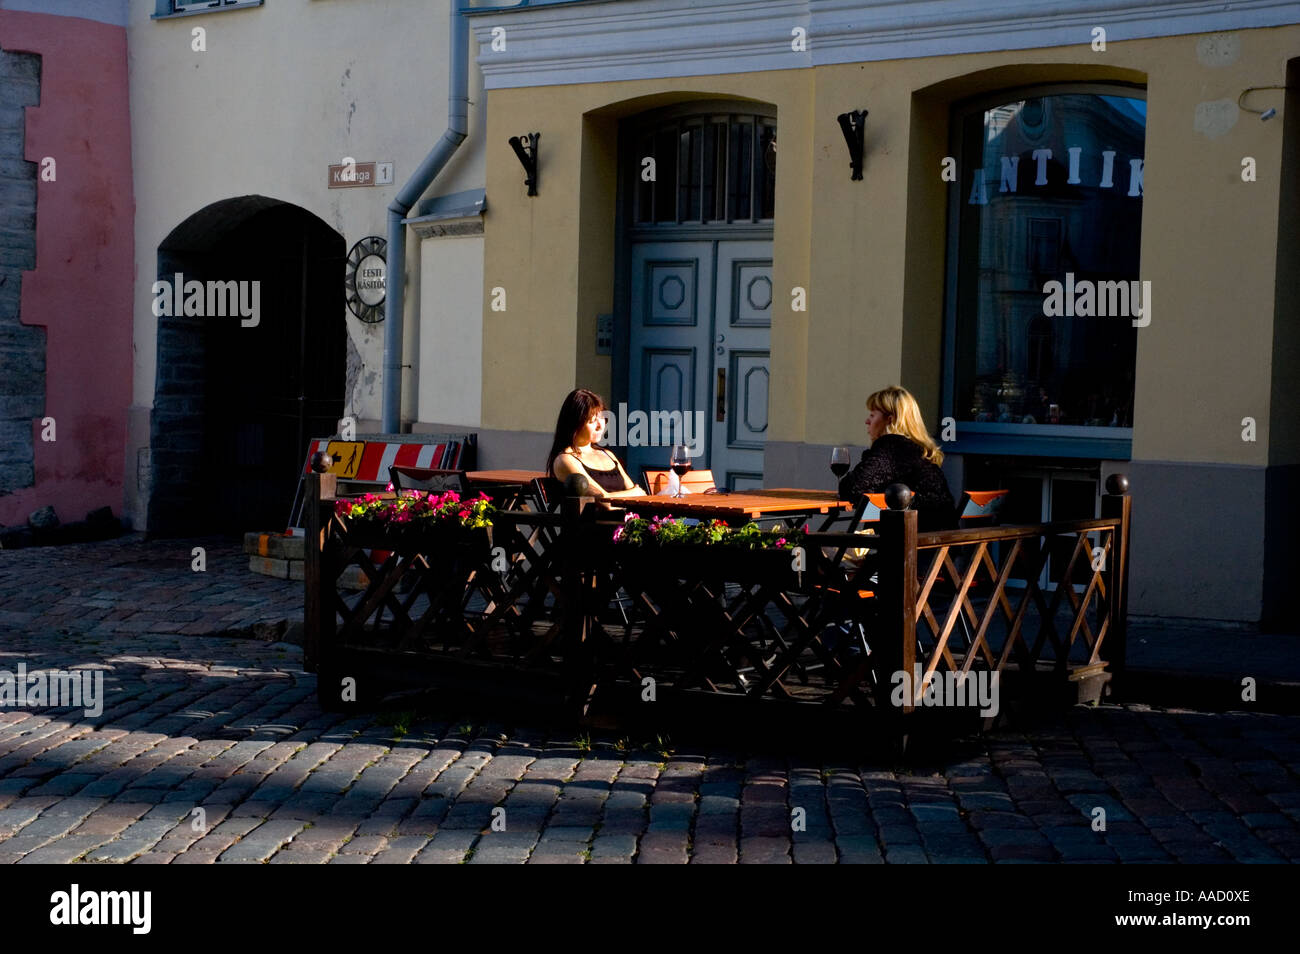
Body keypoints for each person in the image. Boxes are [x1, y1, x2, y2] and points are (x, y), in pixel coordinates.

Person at [838, 385, 958, 532]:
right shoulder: (918, 449)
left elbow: (852, 489)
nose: (867, 421)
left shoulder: (892, 447)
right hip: (940, 546)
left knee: (812, 547)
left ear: (890, 420)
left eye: (872, 415)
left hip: (912, 546)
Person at [545, 389, 646, 499]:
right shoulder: (565, 460)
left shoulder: (607, 454)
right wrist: (634, 493)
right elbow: (602, 499)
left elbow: (640, 496)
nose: (600, 426)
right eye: (592, 421)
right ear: (575, 423)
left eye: (602, 418)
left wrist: (634, 494)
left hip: (627, 515)